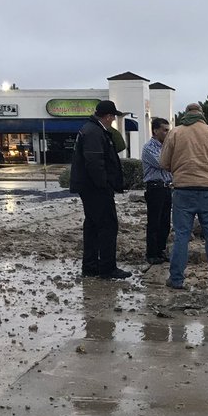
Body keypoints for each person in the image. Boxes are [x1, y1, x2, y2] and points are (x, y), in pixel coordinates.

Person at [159, 102, 208, 289]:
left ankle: (176, 279)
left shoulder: (175, 133)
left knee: (181, 236)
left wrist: (179, 169)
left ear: (185, 114)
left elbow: (163, 162)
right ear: (201, 114)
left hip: (183, 190)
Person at [68, 99, 131, 280]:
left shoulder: (91, 129)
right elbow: (95, 163)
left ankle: (90, 266)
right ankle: (107, 267)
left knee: (93, 226)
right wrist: (104, 185)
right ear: (108, 116)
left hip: (90, 188)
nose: (113, 121)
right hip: (95, 189)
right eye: (112, 117)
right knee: (107, 227)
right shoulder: (94, 132)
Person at [141, 117, 173, 264]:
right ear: (155, 130)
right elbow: (163, 163)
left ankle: (160, 250)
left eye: (168, 130)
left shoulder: (166, 147)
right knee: (154, 221)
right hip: (155, 188)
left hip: (167, 188)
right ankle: (151, 253)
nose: (168, 133)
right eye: (165, 130)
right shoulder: (149, 148)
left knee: (165, 222)